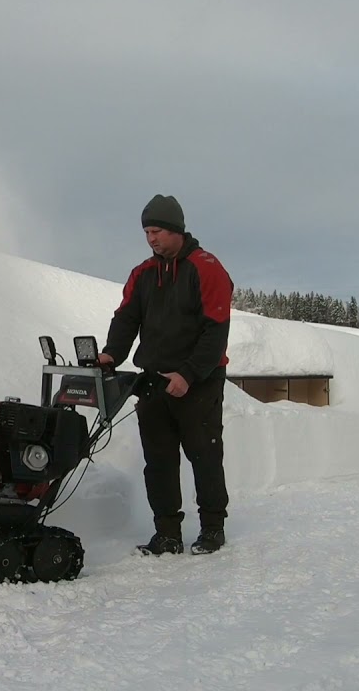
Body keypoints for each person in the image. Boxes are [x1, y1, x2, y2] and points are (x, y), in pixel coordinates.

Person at [97, 193, 233, 556]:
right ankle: (168, 533)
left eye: (157, 230)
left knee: (204, 455)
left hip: (199, 383)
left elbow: (216, 329)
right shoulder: (143, 274)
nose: (151, 238)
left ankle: (212, 529)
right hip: (155, 382)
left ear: (176, 229)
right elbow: (126, 318)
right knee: (158, 461)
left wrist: (188, 374)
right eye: (146, 232)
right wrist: (111, 354)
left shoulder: (207, 268)